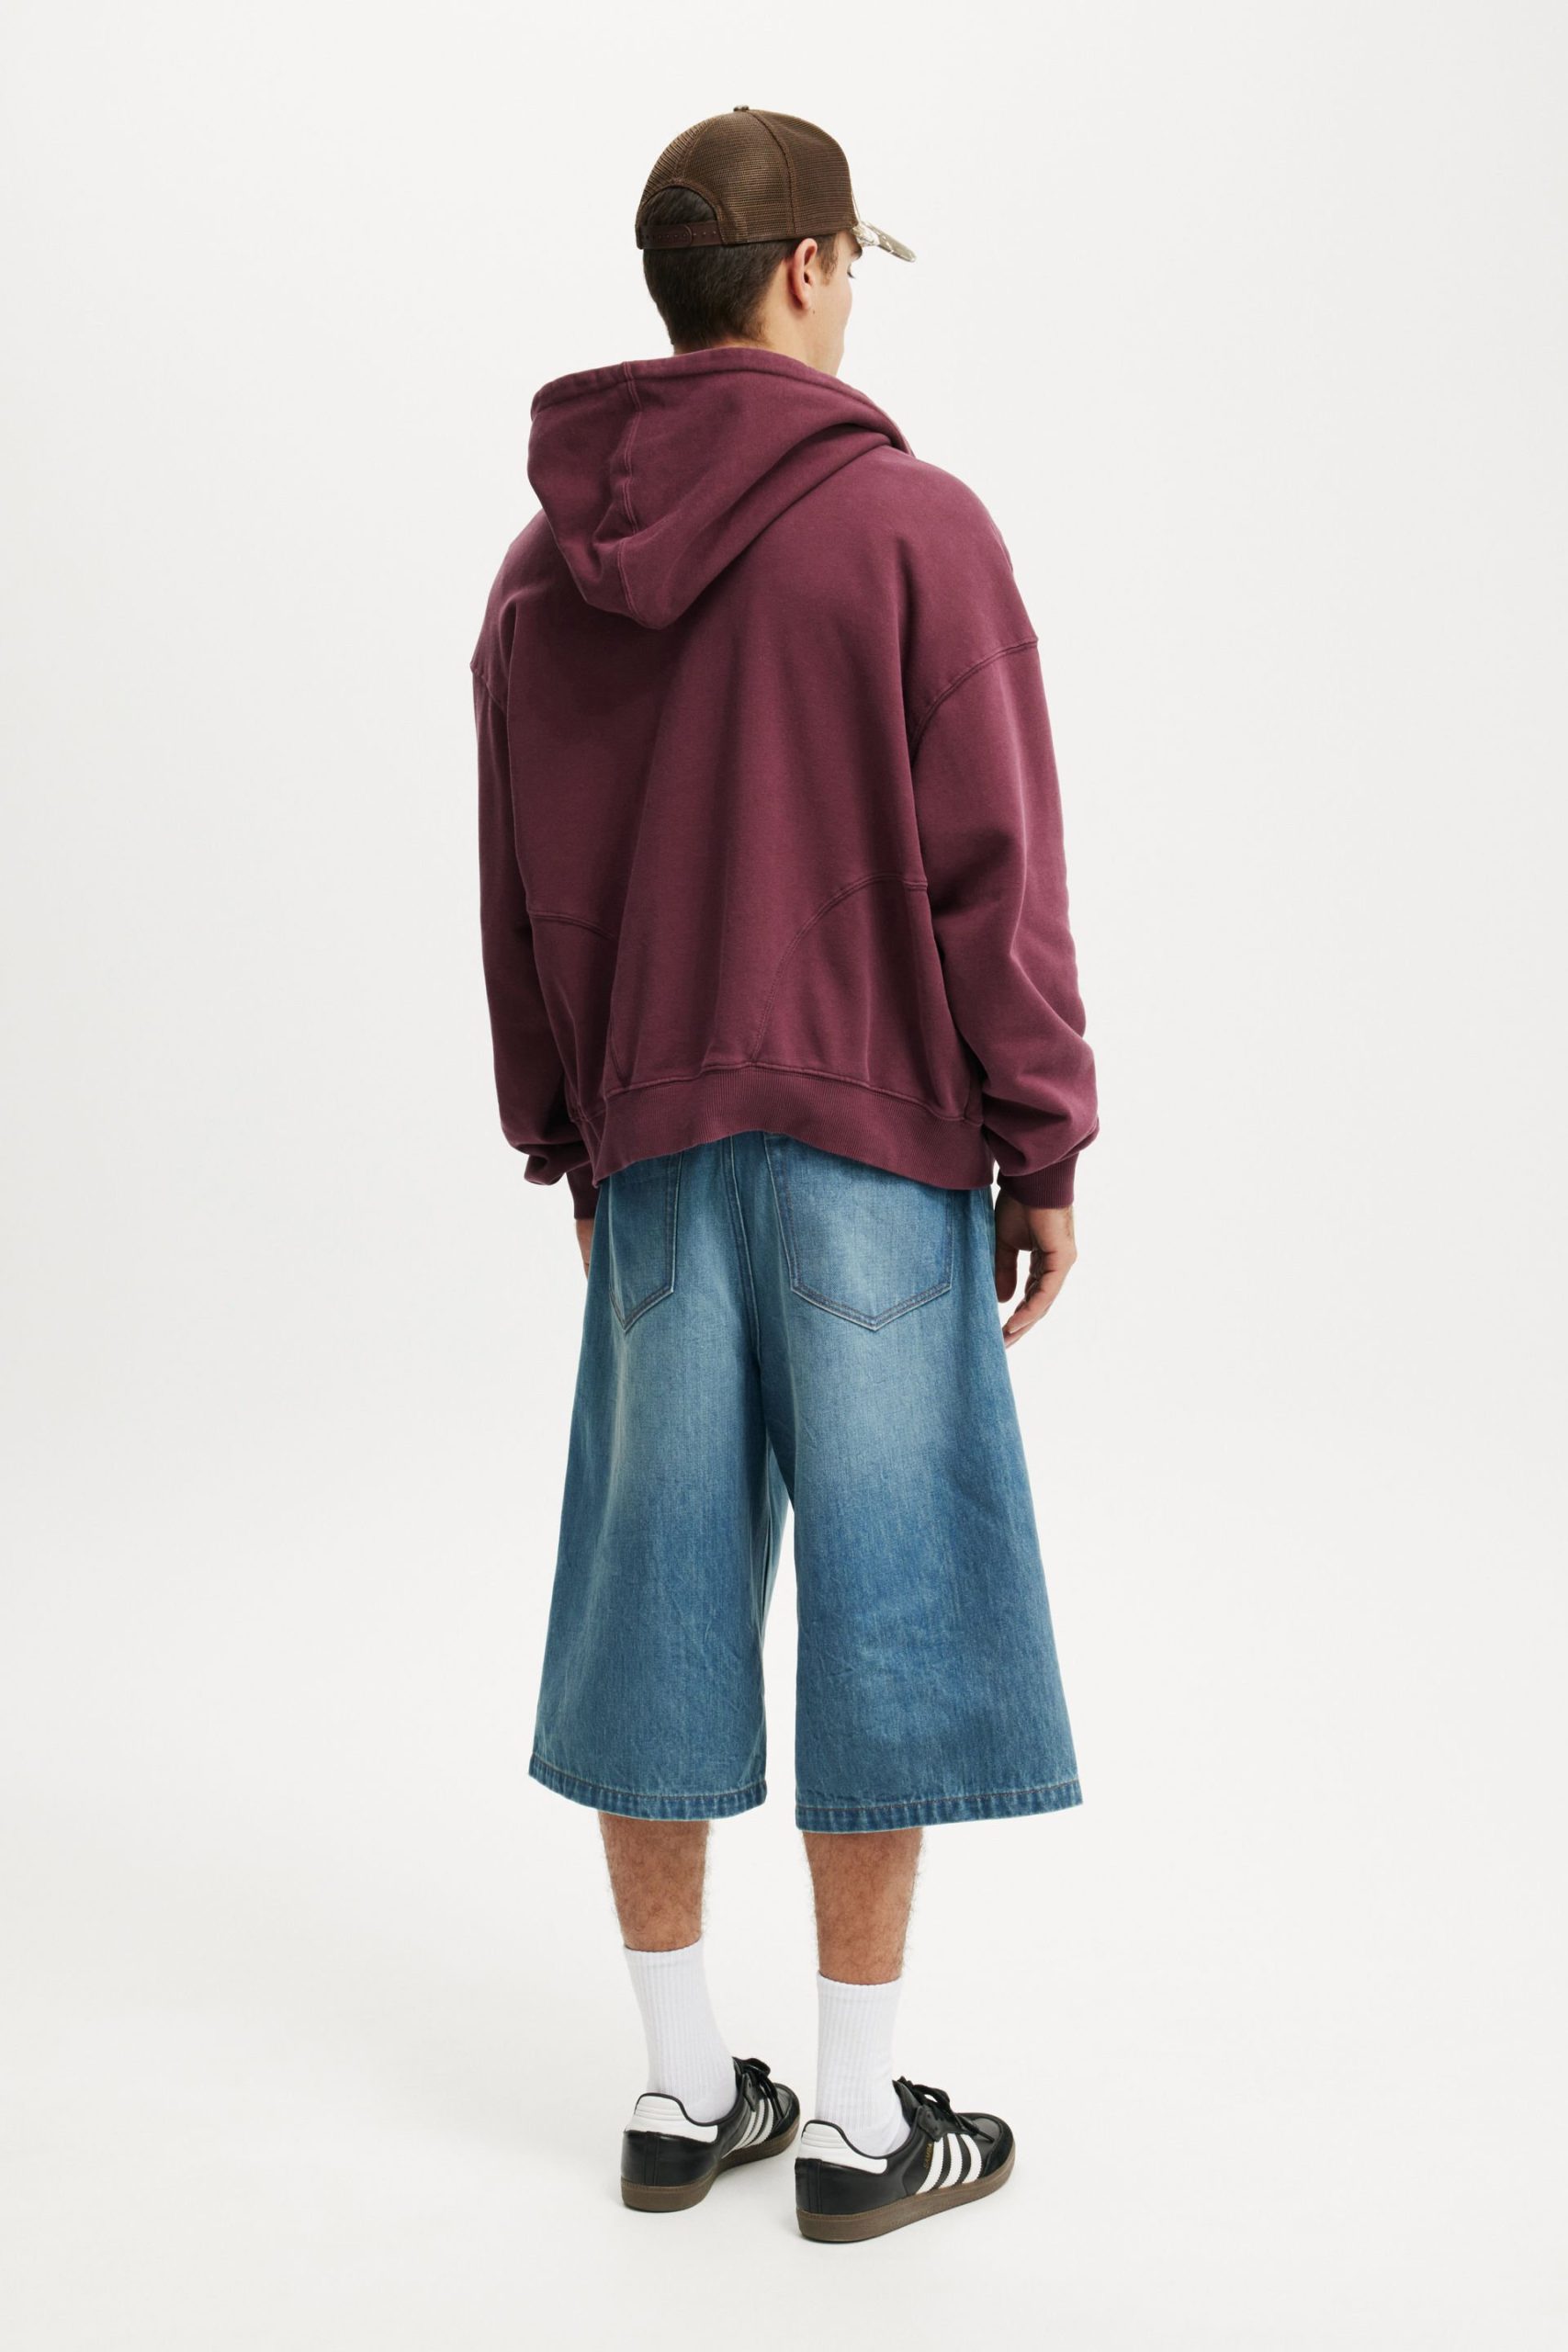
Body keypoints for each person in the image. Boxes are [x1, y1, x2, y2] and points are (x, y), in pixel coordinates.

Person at [470, 106, 1099, 2244]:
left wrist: (568, 1126)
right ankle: (848, 2121)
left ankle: (677, 2089)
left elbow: (521, 890)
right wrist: (1039, 1133)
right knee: (888, 1597)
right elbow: (991, 865)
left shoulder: (540, 574)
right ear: (812, 266)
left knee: (651, 1590)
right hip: (870, 1145)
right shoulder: (907, 529)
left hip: (652, 1149)